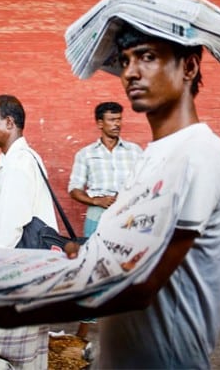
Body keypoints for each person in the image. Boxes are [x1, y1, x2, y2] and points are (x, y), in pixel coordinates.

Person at [0, 16, 220, 369]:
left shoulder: (199, 154)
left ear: (190, 67)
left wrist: (15, 301)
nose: (131, 72)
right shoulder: (151, 158)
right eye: (125, 61)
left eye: (147, 57)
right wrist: (77, 252)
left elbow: (140, 282)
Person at [0, 94, 58, 369]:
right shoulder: (14, 159)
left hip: (12, 277)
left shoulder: (19, 163)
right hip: (26, 275)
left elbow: (7, 230)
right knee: (24, 354)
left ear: (9, 122)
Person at [67, 101, 142, 338]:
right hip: (97, 219)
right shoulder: (86, 154)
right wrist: (97, 201)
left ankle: (130, 331)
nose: (117, 124)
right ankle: (82, 333)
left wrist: (128, 197)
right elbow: (74, 189)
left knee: (130, 270)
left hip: (128, 219)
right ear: (100, 123)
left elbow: (146, 184)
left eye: (119, 119)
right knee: (93, 273)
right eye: (112, 120)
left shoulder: (135, 152)